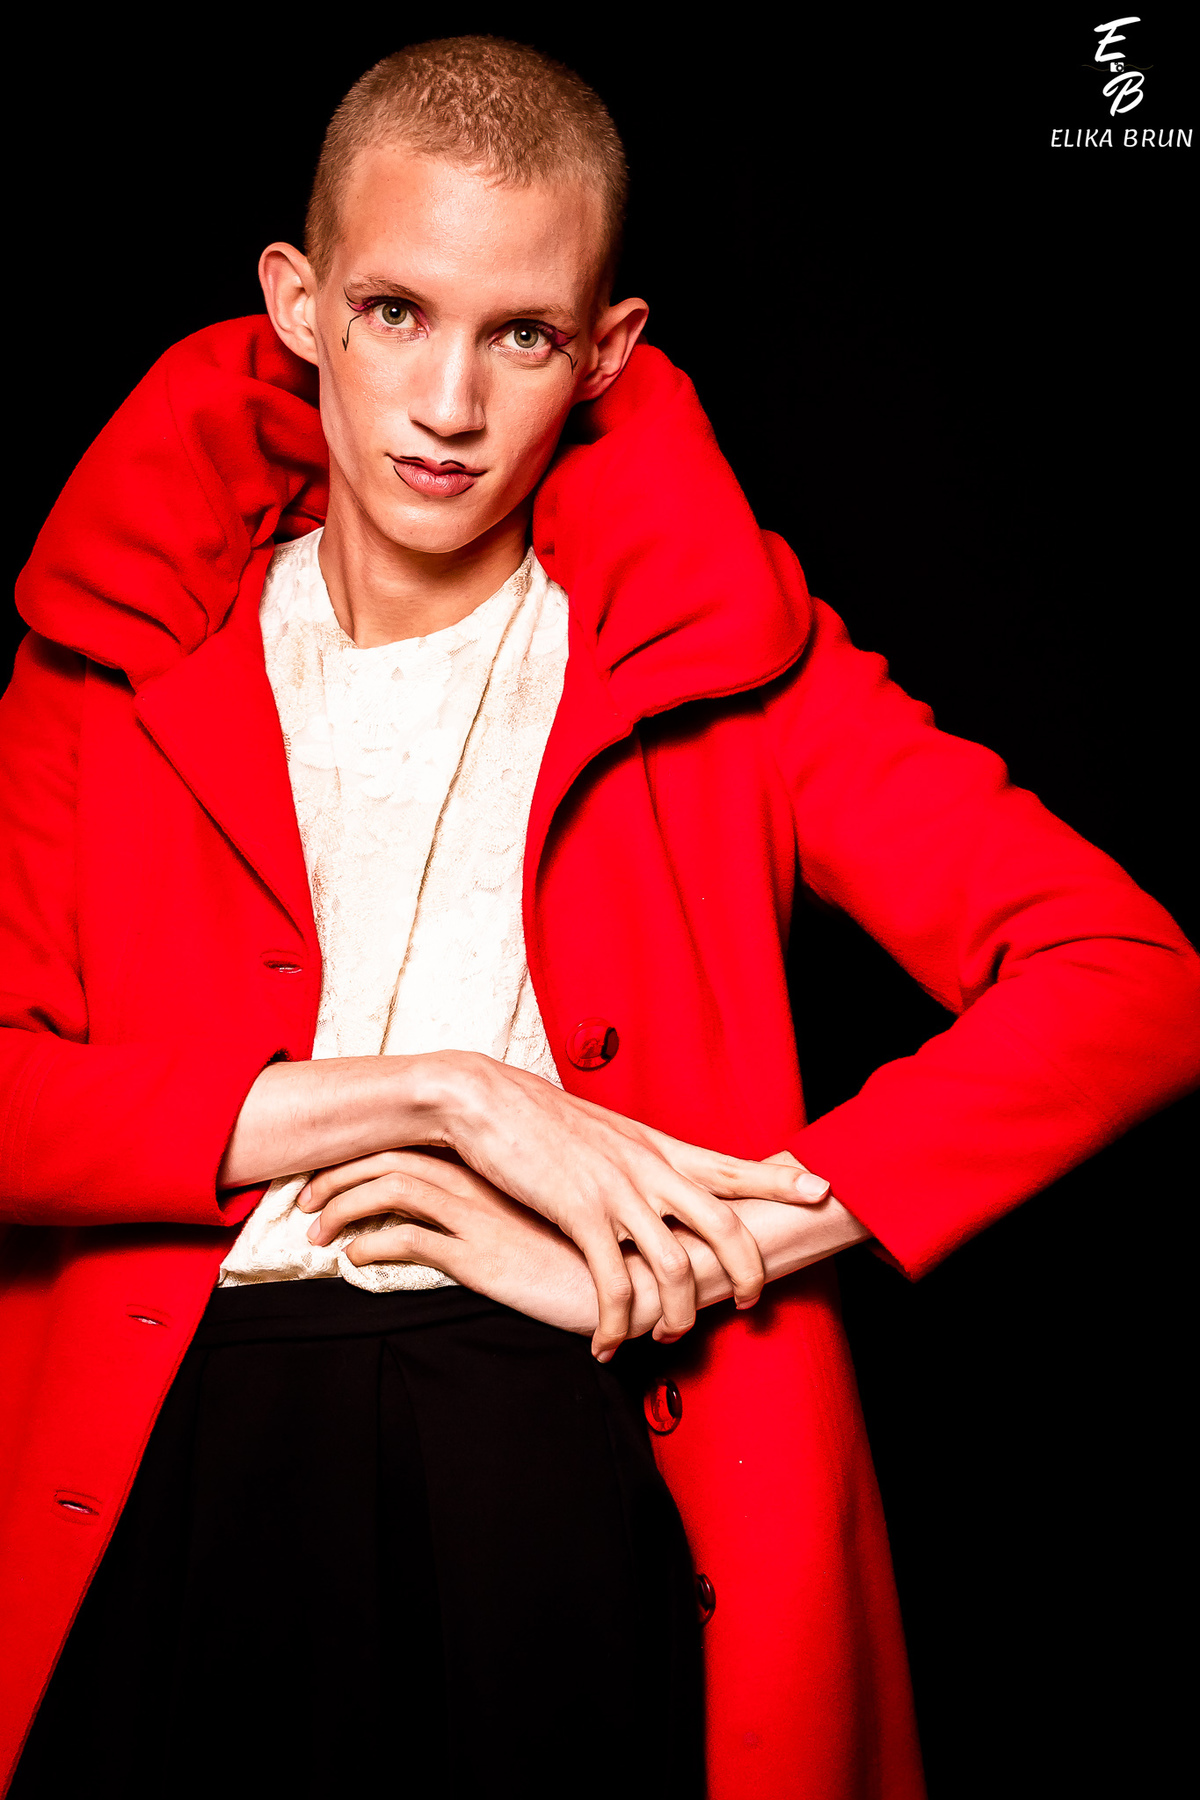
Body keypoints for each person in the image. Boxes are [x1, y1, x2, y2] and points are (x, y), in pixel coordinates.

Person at [1, 34, 1196, 1800]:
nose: (447, 404)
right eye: (396, 311)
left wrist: (705, 1248)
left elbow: (1131, 980)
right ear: (301, 305)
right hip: (180, 1460)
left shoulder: (724, 667)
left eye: (522, 336)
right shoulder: (111, 663)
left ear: (608, 351)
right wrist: (450, 1098)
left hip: (569, 1443)